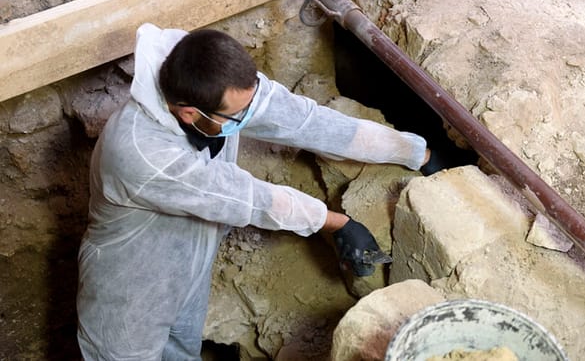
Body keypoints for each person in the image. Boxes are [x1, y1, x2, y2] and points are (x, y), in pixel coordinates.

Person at [76, 22, 431, 360]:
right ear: (189, 114)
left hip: (192, 259)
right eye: (238, 114)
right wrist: (337, 223)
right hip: (131, 284)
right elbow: (249, 199)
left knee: (183, 351)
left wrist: (416, 152)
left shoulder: (218, 82)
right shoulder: (140, 151)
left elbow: (307, 122)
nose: (250, 115)